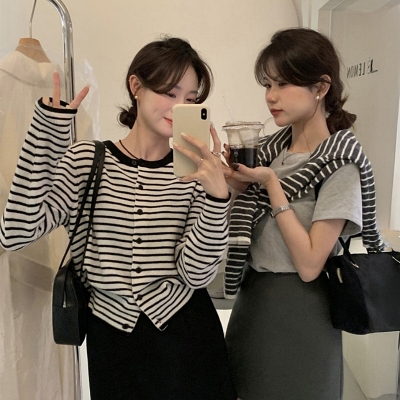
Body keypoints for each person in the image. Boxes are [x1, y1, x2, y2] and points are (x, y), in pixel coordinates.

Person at [0, 36, 237, 400]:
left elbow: (196, 274)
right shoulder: (86, 160)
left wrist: (217, 198)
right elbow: (16, 231)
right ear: (136, 86)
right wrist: (47, 133)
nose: (180, 106)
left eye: (190, 99)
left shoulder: (195, 173)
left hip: (188, 340)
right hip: (111, 344)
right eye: (170, 92)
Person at [221, 28, 385, 400]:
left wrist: (272, 184)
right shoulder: (268, 151)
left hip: (303, 311)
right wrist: (233, 187)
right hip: (252, 302)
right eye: (268, 84)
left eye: (283, 84)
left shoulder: (341, 163)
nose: (271, 96)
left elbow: (311, 264)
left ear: (321, 87)